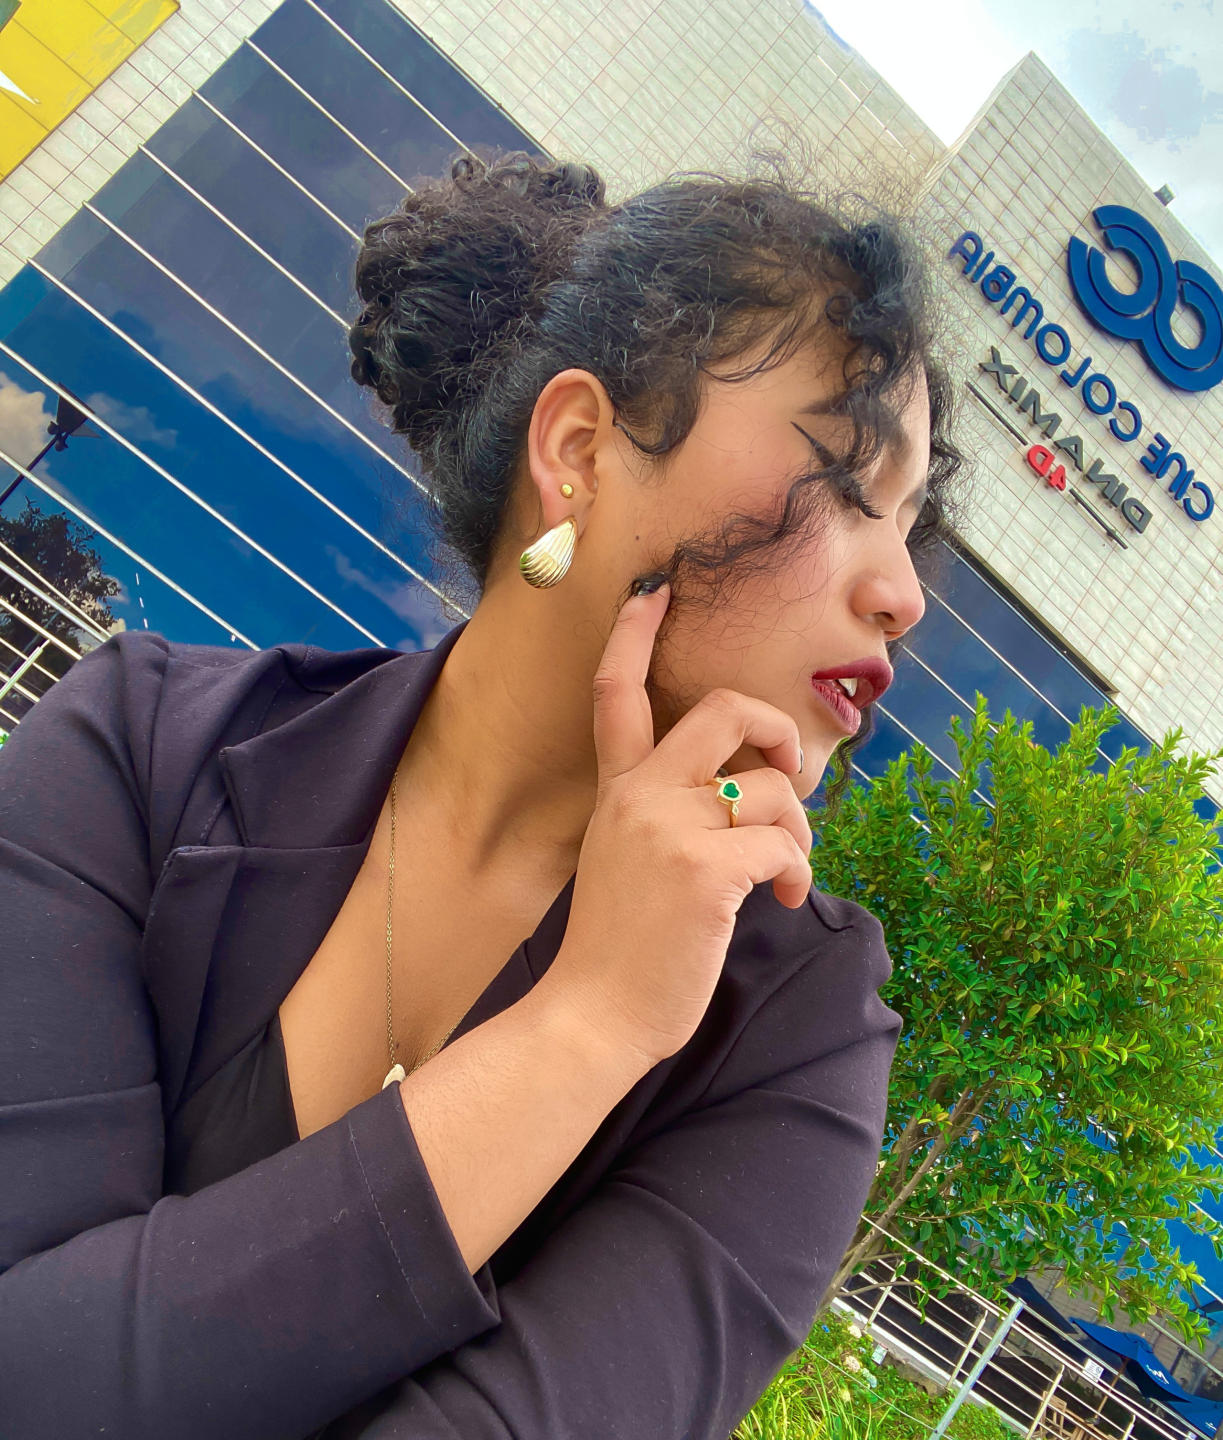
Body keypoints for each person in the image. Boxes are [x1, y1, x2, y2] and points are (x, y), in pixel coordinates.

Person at [0, 152, 961, 1438]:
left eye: (907, 523)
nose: (901, 595)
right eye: (844, 481)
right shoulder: (140, 748)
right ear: (579, 450)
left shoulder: (794, 1028)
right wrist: (584, 1023)